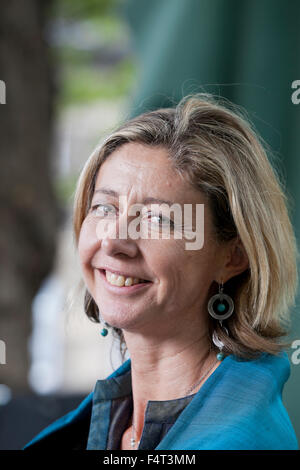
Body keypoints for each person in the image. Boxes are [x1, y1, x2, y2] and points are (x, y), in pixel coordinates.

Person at [24, 94, 299, 450]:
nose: (114, 242)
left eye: (157, 219)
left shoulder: (243, 440)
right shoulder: (106, 423)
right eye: (104, 208)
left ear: (234, 257)